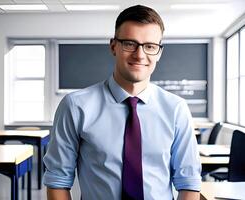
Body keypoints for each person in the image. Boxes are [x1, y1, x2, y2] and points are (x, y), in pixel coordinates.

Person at [43, 4, 201, 200]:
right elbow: (58, 181)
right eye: (129, 43)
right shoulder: (75, 106)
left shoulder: (176, 109)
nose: (140, 55)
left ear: (159, 52)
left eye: (150, 46)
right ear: (113, 46)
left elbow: (189, 184)